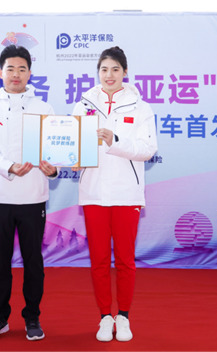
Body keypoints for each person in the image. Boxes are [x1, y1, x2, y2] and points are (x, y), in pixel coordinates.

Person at [72, 46, 158, 342]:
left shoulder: (141, 107)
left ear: (125, 72)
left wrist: (114, 139)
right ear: (98, 72)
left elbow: (148, 150)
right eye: (104, 69)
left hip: (126, 193)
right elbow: (73, 145)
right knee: (98, 261)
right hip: (94, 192)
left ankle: (123, 317)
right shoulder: (83, 105)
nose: (109, 75)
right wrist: (72, 158)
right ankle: (104, 317)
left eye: (115, 69)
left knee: (124, 261)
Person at [0, 45, 58, 342]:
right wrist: (8, 166)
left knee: (33, 261)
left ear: (30, 74)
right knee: (0, 261)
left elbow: (55, 147)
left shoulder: (44, 108)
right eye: (10, 68)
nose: (16, 74)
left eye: (22, 69)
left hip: (33, 196)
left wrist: (53, 168)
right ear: (0, 73)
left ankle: (32, 317)